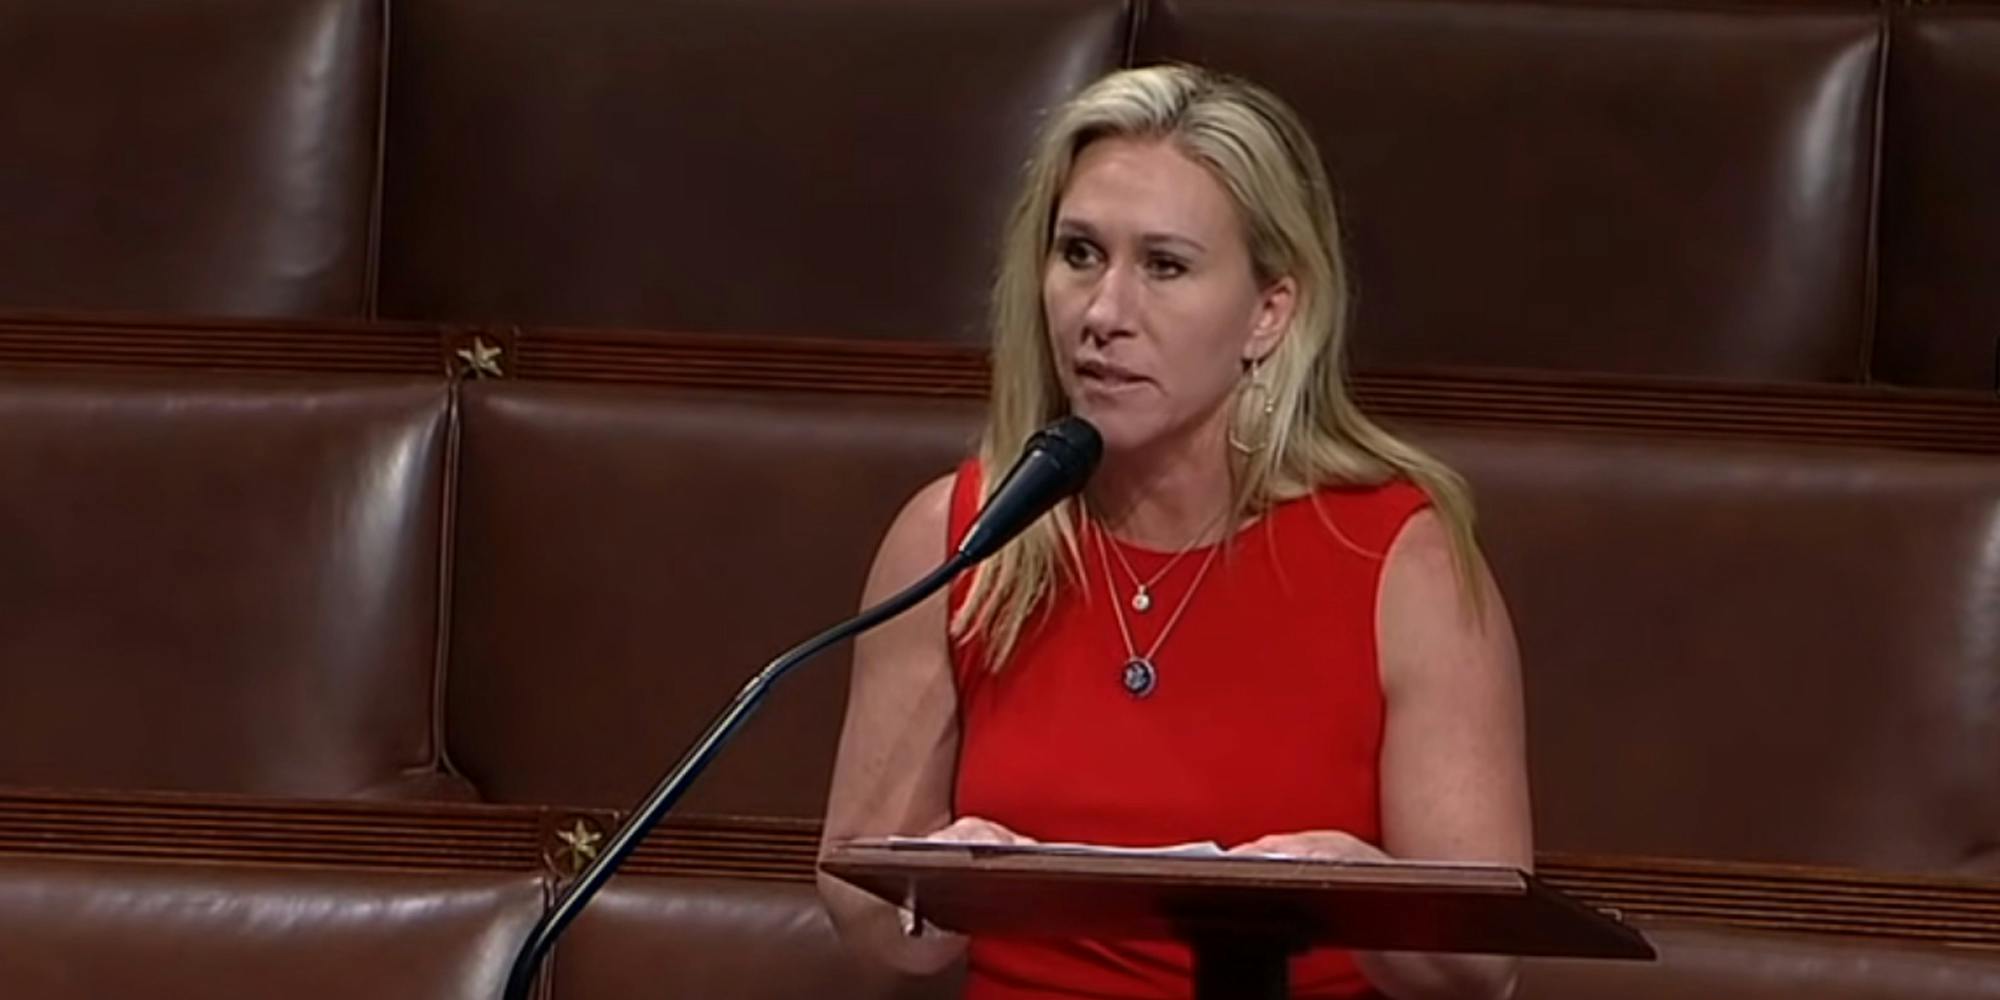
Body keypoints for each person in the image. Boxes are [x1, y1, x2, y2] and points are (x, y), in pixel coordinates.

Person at [819, 63, 1531, 1000]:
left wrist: (1351, 891)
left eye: (1164, 265)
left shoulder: (1403, 560)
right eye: (1079, 254)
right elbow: (873, 932)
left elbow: (1479, 968)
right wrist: (945, 888)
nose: (1104, 315)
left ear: (1271, 312)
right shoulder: (958, 539)